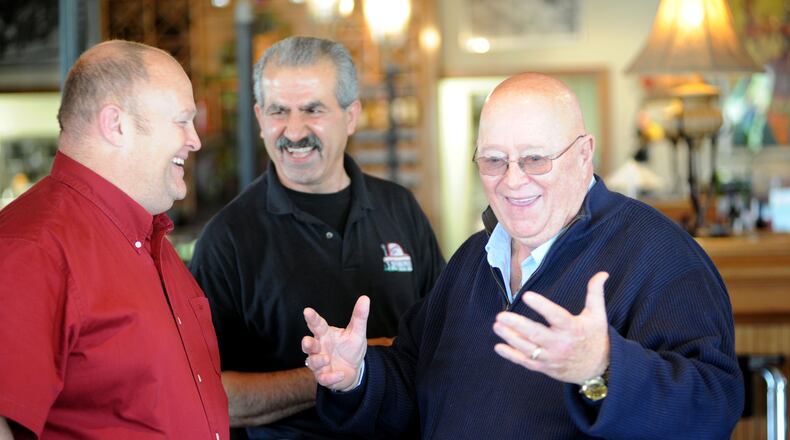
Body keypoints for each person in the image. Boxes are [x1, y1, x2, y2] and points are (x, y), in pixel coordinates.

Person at [301, 73, 745, 439]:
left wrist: (603, 369)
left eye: (535, 159)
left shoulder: (660, 255)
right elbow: (417, 384)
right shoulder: (471, 260)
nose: (513, 181)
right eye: (494, 161)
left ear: (584, 155)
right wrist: (357, 375)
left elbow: (712, 409)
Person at [189, 36, 445, 439]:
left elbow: (445, 339)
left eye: (312, 109)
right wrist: (338, 374)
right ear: (259, 117)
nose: (293, 131)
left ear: (351, 115)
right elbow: (208, 395)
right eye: (278, 111)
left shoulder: (401, 209)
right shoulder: (227, 239)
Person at [0, 40, 229, 439]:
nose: (195, 140)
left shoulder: (148, 235)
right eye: (181, 121)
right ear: (116, 124)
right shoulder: (34, 248)